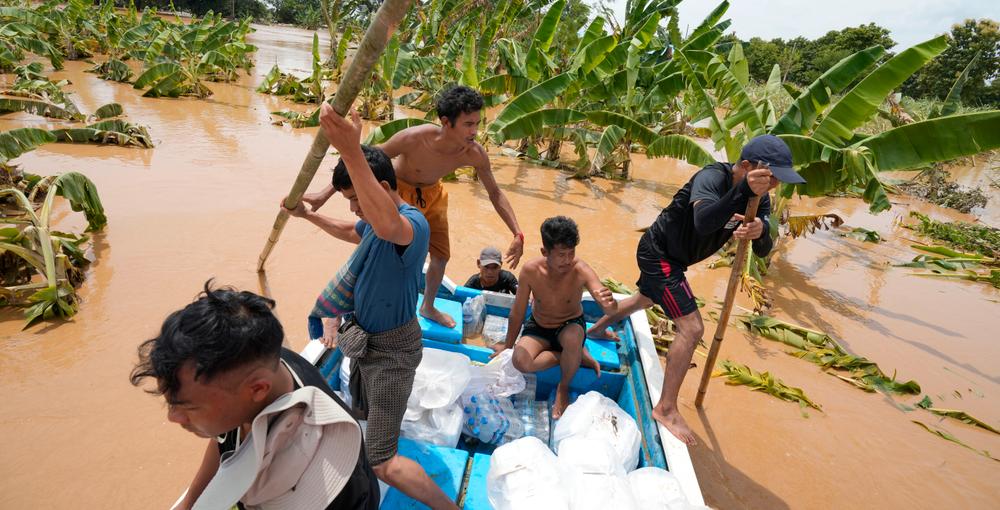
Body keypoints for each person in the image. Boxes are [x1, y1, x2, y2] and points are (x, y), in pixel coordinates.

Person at [284, 103, 459, 509]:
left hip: (393, 355)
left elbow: (381, 225)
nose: (353, 207)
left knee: (383, 460)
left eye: (355, 197)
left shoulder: (412, 225)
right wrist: (308, 216)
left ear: (381, 187)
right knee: (358, 412)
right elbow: (354, 230)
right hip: (364, 342)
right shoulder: (376, 222)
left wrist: (350, 150)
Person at [586, 135, 807, 446]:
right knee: (691, 328)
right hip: (659, 253)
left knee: (645, 299)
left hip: (677, 260)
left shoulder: (761, 199)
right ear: (746, 167)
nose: (772, 187)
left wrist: (759, 233)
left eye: (776, 181)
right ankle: (665, 409)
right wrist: (743, 192)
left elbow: (762, 250)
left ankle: (595, 330)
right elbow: (703, 222)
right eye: (770, 178)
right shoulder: (712, 178)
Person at [129, 281, 379, 510]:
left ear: (258, 389)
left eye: (188, 407)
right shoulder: (262, 365)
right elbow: (224, 439)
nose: (173, 417)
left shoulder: (324, 484)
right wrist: (190, 503)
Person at [303, 86, 525, 329]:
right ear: (446, 122)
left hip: (433, 195)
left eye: (477, 124)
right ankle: (340, 307)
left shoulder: (474, 154)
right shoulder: (415, 138)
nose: (475, 131)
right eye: (468, 124)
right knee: (370, 245)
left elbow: (495, 192)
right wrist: (324, 195)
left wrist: (517, 232)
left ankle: (428, 307)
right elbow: (366, 161)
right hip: (397, 192)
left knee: (441, 256)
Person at [493, 216, 619, 418]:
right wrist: (508, 347)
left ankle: (564, 385)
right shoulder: (530, 270)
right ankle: (571, 356)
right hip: (539, 326)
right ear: (545, 252)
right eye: (561, 254)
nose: (568, 260)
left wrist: (608, 303)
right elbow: (517, 312)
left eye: (571, 253)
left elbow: (611, 309)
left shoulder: (580, 269)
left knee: (572, 337)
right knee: (521, 361)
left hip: (569, 325)